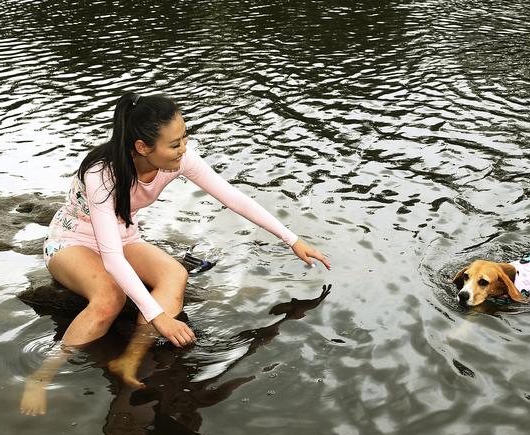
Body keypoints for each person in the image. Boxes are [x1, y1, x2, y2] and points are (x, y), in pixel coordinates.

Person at [20, 92, 330, 415]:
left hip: (123, 237)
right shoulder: (102, 174)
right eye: (174, 143)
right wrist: (159, 317)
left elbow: (232, 197)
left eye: (185, 137)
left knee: (175, 274)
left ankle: (130, 359)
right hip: (73, 241)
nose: (183, 149)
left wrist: (291, 238)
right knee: (109, 297)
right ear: (142, 148)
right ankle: (41, 376)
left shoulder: (178, 159)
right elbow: (112, 260)